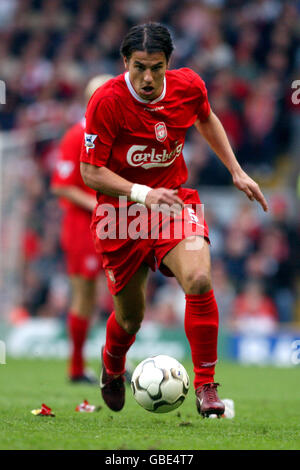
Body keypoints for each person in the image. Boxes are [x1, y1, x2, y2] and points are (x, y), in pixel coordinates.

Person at [80, 23, 268, 416]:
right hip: (121, 216)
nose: (147, 78)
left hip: (173, 206)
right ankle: (112, 364)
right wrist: (142, 193)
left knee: (199, 279)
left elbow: (206, 117)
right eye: (138, 68)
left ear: (169, 63)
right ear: (124, 63)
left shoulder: (189, 86)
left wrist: (236, 170)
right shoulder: (106, 101)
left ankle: (206, 387)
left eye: (156, 67)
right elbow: (90, 173)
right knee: (130, 319)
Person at [51, 74, 113, 383]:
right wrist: (98, 205)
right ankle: (76, 368)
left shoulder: (114, 135)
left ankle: (112, 364)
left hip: (113, 224)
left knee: (117, 292)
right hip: (81, 227)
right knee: (84, 294)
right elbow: (62, 186)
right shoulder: (77, 135)